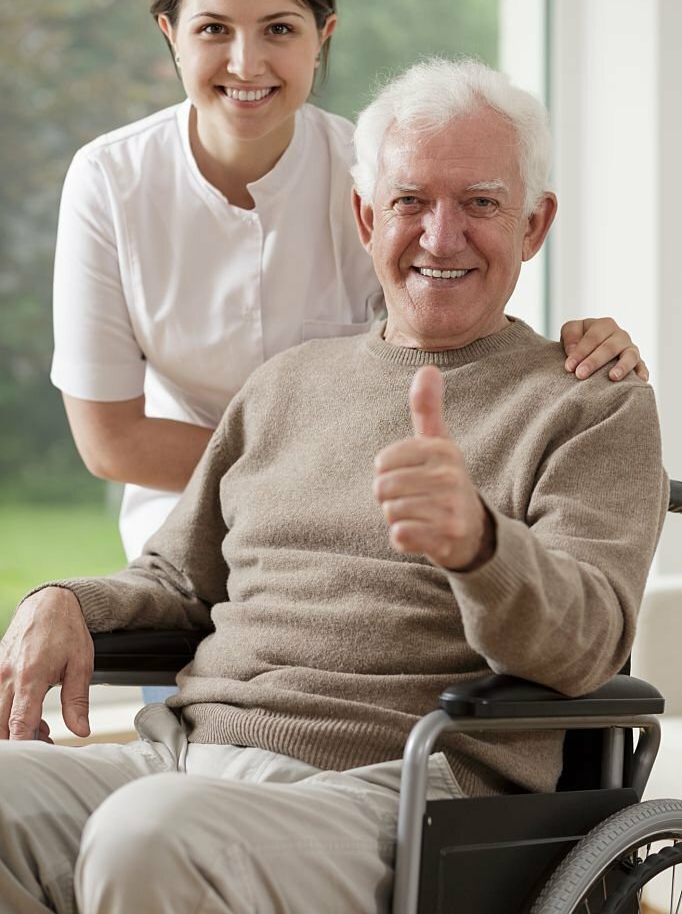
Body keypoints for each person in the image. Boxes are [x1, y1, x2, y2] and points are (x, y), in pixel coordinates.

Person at [0, 58, 667, 914]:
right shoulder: (287, 383)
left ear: (535, 226)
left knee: (149, 836)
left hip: (400, 790)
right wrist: (66, 600)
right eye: (411, 201)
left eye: (482, 204)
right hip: (184, 760)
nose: (440, 234)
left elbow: (587, 641)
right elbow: (176, 578)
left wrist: (480, 546)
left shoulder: (587, 404)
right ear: (365, 215)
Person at [53, 0, 646, 571]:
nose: (246, 64)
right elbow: (111, 443)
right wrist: (296, 470)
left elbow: (459, 337)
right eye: (214, 29)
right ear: (170, 35)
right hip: (187, 523)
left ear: (322, 36)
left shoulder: (382, 180)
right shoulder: (108, 179)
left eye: (279, 29)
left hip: (356, 523)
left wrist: (584, 349)